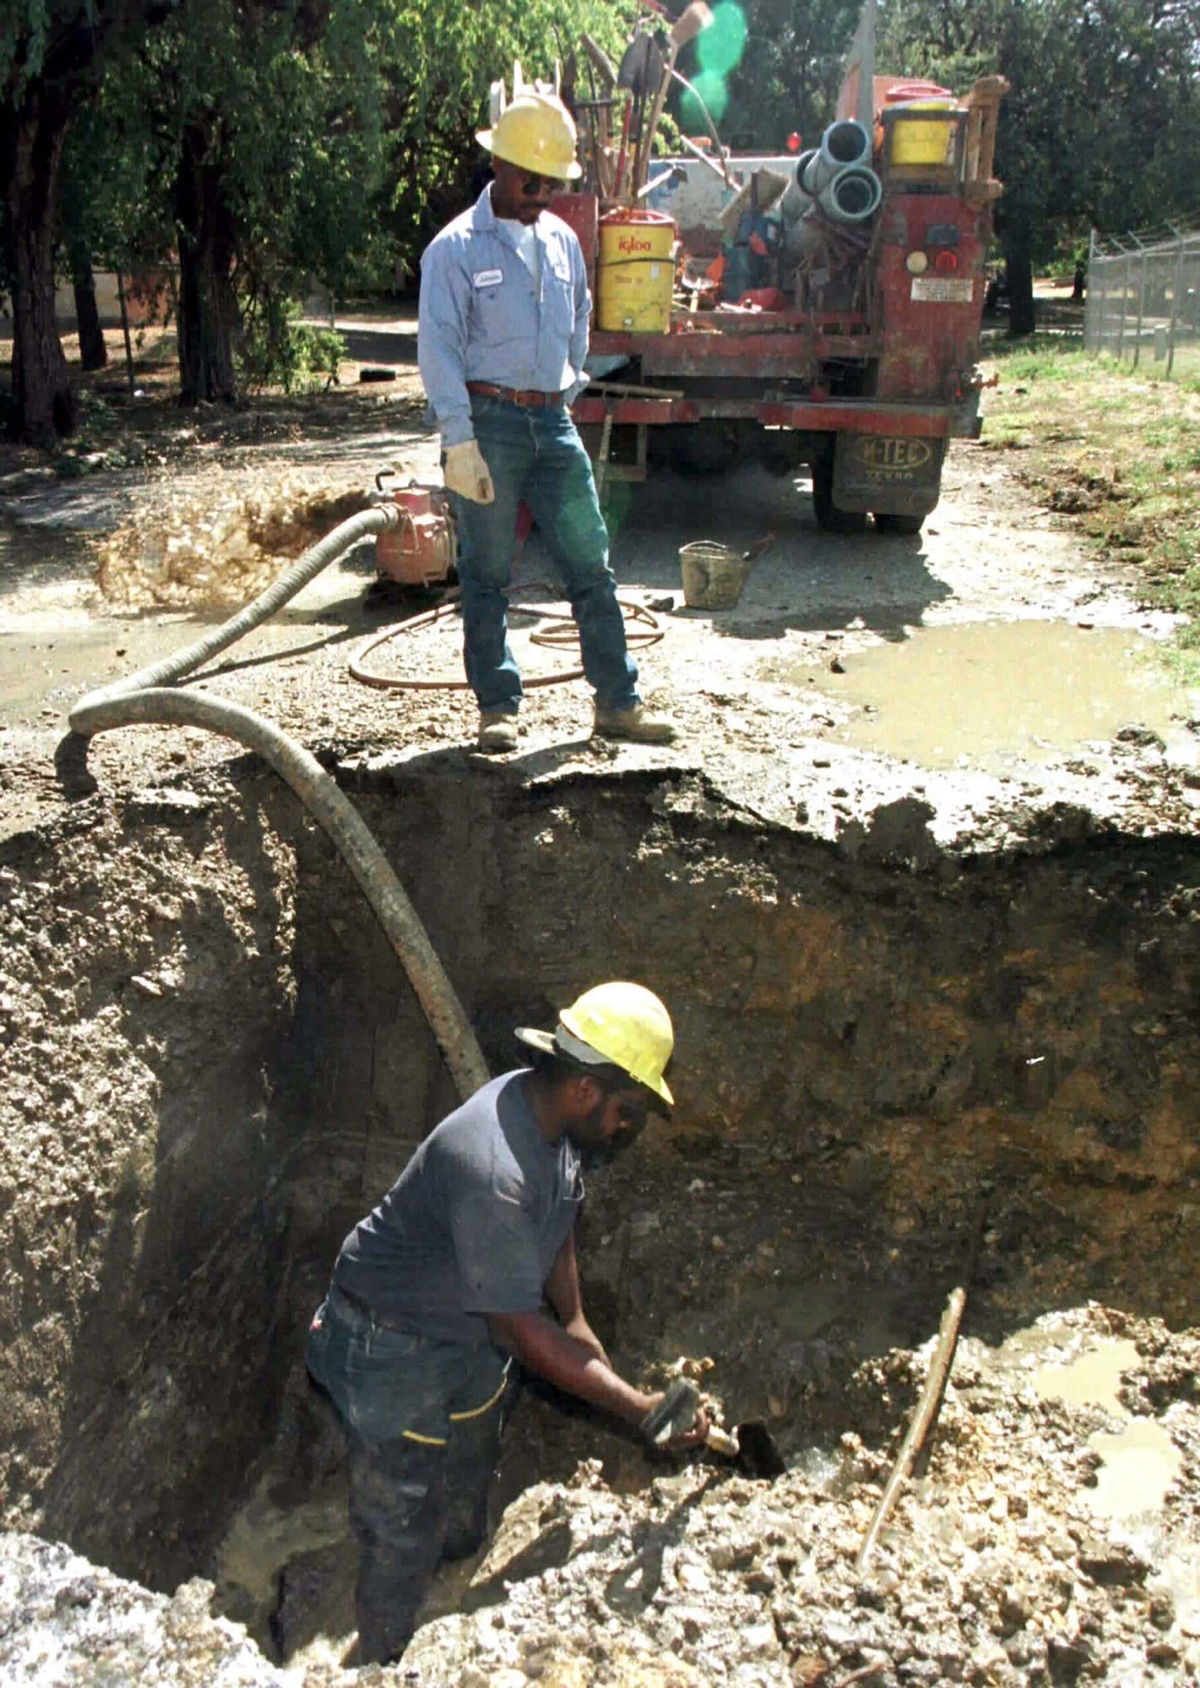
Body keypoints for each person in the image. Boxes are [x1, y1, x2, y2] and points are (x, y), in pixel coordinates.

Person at [305, 981, 706, 1666]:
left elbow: (558, 1218)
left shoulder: (553, 1122)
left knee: (468, 1461)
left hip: (466, 1328)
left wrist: (576, 1318)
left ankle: (455, 1564)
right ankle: (383, 1657)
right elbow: (520, 1328)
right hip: (388, 1343)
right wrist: (640, 1410)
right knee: (401, 1520)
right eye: (626, 1111)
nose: (624, 1129)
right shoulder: (494, 1164)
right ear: (586, 1087)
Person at [417, 91, 677, 755]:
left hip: (551, 422)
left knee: (591, 562)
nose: (542, 193)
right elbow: (439, 348)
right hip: (488, 425)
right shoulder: (453, 251)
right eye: (532, 180)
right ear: (499, 167)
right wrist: (460, 441)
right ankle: (498, 708)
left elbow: (581, 315)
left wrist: (567, 378)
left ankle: (618, 702)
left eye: (552, 183)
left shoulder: (561, 241)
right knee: (486, 573)